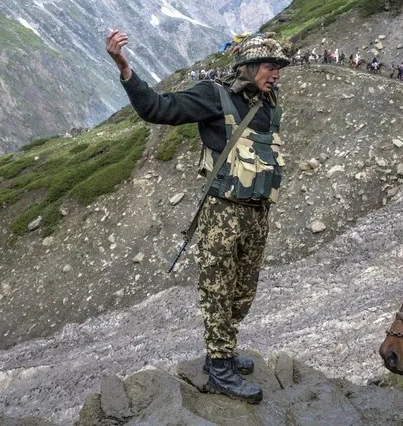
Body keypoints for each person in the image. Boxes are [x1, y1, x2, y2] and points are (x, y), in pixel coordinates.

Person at [106, 30, 292, 404]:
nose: (276, 73)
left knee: (243, 292)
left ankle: (223, 349)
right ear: (250, 65)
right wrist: (125, 68)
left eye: (278, 67)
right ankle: (219, 366)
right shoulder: (214, 96)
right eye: (271, 66)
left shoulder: (270, 102)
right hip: (223, 213)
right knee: (218, 289)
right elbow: (157, 109)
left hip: (257, 214)